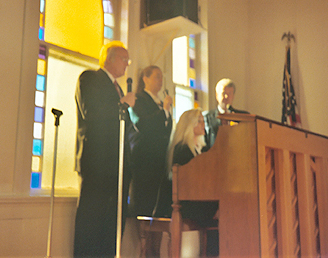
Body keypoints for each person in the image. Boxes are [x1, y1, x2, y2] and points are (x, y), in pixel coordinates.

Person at [74, 40, 135, 258]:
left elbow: (124, 127)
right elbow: (92, 112)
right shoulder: (90, 78)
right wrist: (122, 105)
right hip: (97, 164)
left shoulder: (118, 89)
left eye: (128, 60)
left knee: (112, 225)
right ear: (108, 59)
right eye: (123, 58)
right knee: (91, 223)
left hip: (118, 167)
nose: (127, 64)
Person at [154, 109, 219, 256]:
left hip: (190, 199)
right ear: (190, 125)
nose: (204, 124)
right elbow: (187, 183)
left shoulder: (199, 149)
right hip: (182, 202)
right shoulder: (182, 149)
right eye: (199, 121)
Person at [127, 65, 173, 257]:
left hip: (160, 163)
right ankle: (146, 251)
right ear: (144, 79)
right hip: (145, 163)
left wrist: (166, 111)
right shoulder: (138, 99)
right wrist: (164, 111)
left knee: (160, 209)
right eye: (156, 77)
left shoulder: (160, 102)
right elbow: (143, 124)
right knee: (145, 207)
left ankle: (156, 252)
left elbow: (165, 131)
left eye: (162, 78)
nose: (160, 81)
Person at [204, 78, 249, 148]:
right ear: (217, 95)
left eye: (230, 93)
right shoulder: (207, 117)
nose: (226, 97)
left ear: (233, 96)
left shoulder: (243, 116)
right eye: (223, 93)